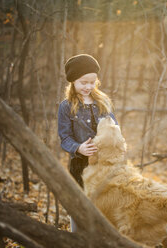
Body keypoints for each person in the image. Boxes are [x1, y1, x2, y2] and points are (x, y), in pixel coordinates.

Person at [57, 54, 117, 231]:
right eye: (83, 82)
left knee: (102, 204)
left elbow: (115, 128)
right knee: (79, 203)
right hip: (80, 164)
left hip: (103, 163)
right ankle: (78, 239)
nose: (88, 86)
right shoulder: (66, 106)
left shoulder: (103, 102)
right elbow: (65, 137)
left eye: (92, 82)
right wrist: (79, 148)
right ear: (73, 81)